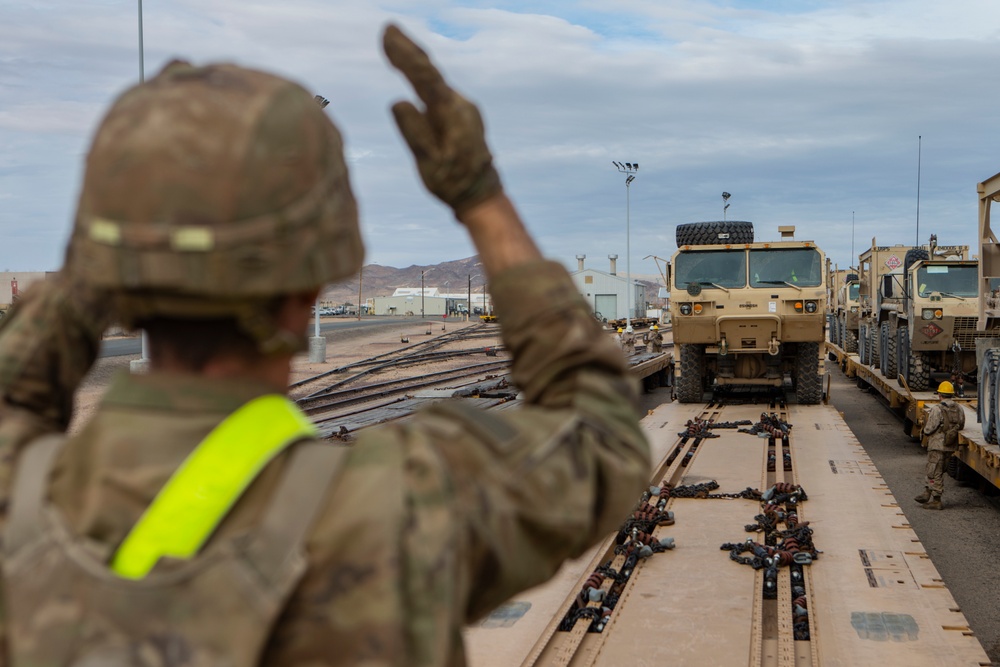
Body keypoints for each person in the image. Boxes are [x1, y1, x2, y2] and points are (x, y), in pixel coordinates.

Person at [0, 25, 650, 666]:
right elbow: (600, 429)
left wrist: (132, 213)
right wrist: (480, 192)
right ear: (310, 287)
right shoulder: (397, 505)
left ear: (109, 265)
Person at [914, 381, 966, 510]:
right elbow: (962, 424)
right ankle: (927, 492)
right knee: (939, 470)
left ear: (940, 395)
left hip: (937, 445)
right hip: (950, 445)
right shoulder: (959, 408)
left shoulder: (937, 409)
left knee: (934, 470)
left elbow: (929, 428)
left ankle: (936, 500)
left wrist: (925, 432)